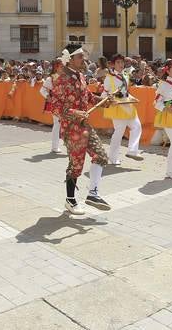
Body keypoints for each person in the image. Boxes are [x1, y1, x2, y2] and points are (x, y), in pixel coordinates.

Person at [48, 44, 112, 215]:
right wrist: (75, 113)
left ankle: (93, 193)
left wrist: (103, 101)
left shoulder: (81, 76)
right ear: (70, 59)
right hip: (71, 128)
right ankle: (70, 200)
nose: (83, 59)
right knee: (76, 164)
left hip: (84, 125)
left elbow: (88, 96)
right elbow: (55, 107)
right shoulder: (60, 79)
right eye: (80, 57)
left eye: (83, 56)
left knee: (101, 156)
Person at [103, 54, 143, 165]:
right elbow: (104, 93)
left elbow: (125, 91)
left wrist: (131, 97)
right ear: (113, 64)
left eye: (122, 62)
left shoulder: (125, 75)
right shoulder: (109, 77)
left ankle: (132, 150)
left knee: (137, 126)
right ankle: (113, 157)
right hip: (117, 107)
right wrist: (110, 100)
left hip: (128, 105)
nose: (121, 64)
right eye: (118, 62)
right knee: (119, 133)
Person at [39, 60, 64, 154]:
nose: (63, 68)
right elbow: (42, 90)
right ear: (56, 67)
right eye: (61, 66)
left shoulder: (67, 77)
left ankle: (68, 144)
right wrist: (48, 97)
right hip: (56, 104)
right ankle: (55, 147)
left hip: (67, 104)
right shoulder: (51, 78)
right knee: (57, 124)